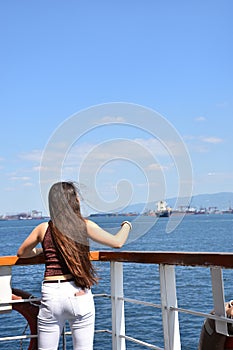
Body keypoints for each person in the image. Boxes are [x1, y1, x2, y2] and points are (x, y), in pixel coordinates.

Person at [17, 181, 132, 350]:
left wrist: (42, 251)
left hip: (52, 294)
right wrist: (127, 225)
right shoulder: (84, 225)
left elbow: (22, 253)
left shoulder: (44, 228)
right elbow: (117, 242)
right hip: (78, 293)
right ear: (73, 200)